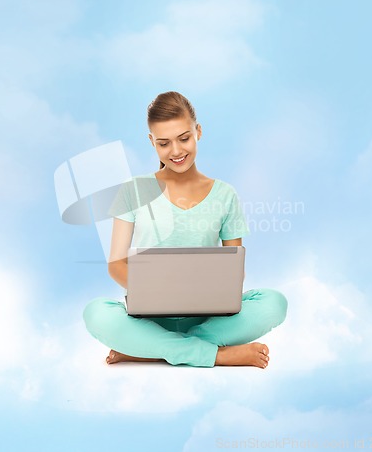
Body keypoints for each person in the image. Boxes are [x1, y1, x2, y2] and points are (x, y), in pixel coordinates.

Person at [82, 91, 287, 368]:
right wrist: (156, 292)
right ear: (151, 142)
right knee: (96, 313)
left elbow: (235, 269)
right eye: (164, 143)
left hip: (209, 319)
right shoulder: (133, 190)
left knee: (275, 303)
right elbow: (116, 263)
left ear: (198, 132)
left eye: (184, 138)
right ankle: (213, 354)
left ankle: (151, 349)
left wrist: (208, 292)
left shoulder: (225, 194)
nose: (176, 152)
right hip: (149, 317)